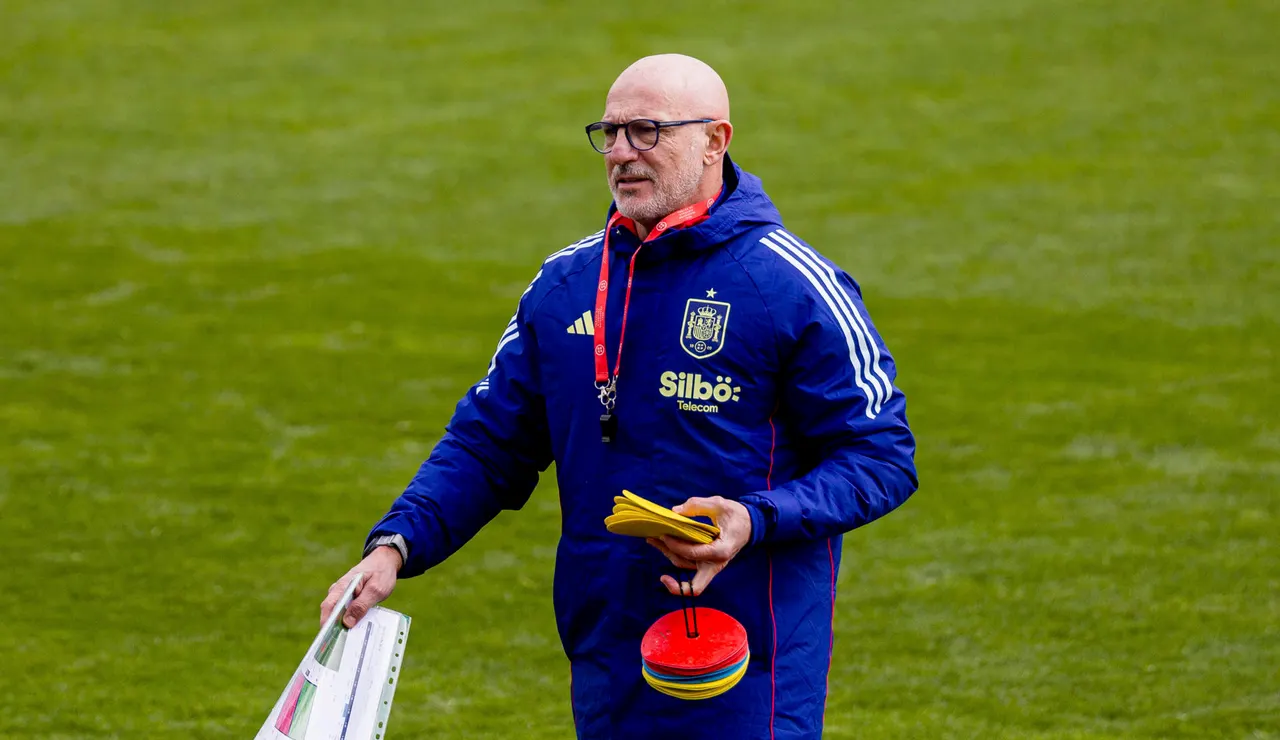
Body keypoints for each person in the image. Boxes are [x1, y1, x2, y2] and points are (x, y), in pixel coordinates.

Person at [321, 53, 917, 739]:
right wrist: (396, 545)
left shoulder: (791, 285)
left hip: (744, 660)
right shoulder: (564, 285)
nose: (623, 154)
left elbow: (882, 456)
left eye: (647, 132)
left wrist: (756, 519)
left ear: (715, 141)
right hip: (607, 654)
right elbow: (488, 444)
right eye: (609, 133)